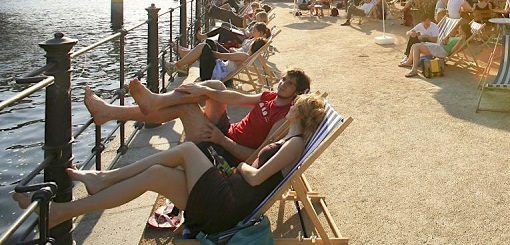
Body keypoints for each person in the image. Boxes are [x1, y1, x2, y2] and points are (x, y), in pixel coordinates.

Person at [14, 94, 326, 234]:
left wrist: (241, 168)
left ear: (297, 113)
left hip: (227, 204)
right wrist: (237, 169)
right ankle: (61, 212)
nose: (288, 109)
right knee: (155, 175)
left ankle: (104, 177)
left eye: (293, 107)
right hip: (223, 197)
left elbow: (256, 177)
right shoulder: (290, 141)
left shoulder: (295, 144)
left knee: (189, 150)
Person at [84, 69, 311, 167]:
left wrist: (222, 141)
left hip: (227, 149)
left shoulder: (284, 117)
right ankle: (130, 107)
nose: (283, 84)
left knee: (186, 108)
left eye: (289, 84)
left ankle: (112, 111)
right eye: (283, 79)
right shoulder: (269, 96)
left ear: (298, 92)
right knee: (214, 85)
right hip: (227, 131)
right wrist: (204, 91)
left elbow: (256, 156)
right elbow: (236, 97)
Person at [171, 23, 270, 81]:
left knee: (203, 46)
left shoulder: (244, 56)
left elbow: (220, 55)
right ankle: (184, 62)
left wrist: (205, 52)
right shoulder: (246, 56)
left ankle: (177, 65)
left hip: (213, 74)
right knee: (209, 42)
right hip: (217, 69)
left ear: (253, 46)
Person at [402, 23, 468, 77]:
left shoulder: (462, 40)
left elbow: (452, 51)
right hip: (440, 47)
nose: (458, 29)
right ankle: (408, 62)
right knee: (414, 45)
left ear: (463, 30)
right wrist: (445, 41)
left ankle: (414, 70)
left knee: (416, 47)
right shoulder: (458, 36)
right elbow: (448, 44)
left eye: (460, 28)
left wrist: (460, 40)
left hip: (442, 51)